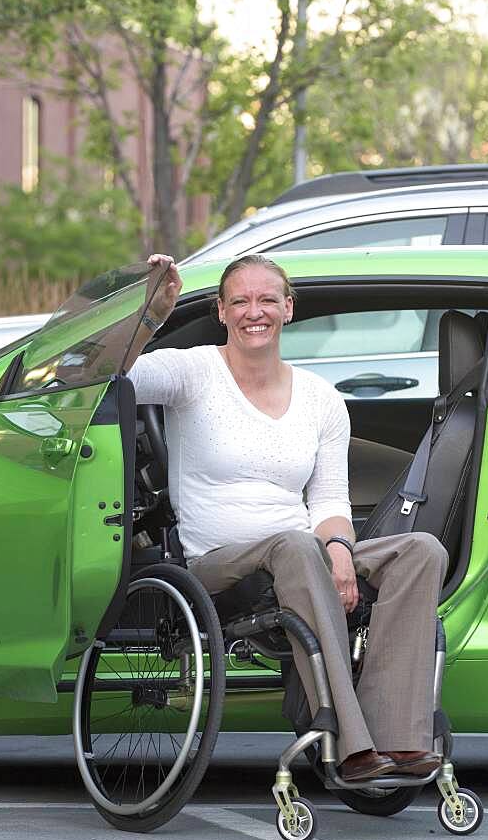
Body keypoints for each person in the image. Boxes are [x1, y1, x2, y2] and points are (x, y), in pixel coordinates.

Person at [127, 253, 448, 781]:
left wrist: (341, 553)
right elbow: (121, 376)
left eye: (267, 299)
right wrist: (151, 315)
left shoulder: (321, 399)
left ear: (288, 308)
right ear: (222, 311)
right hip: (217, 563)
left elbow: (327, 503)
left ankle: (398, 736)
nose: (255, 311)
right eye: (241, 301)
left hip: (300, 552)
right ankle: (349, 741)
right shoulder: (193, 371)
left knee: (420, 551)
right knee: (295, 546)